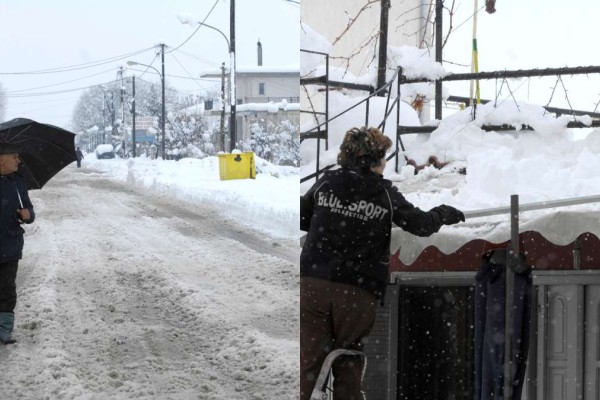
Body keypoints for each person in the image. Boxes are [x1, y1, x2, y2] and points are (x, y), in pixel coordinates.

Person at [300, 126, 465, 400]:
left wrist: (334, 222)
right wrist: (443, 212)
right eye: (384, 158)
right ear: (374, 161)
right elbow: (420, 225)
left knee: (309, 363)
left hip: (312, 284)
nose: (385, 164)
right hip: (355, 290)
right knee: (348, 360)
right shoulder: (383, 194)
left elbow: (304, 217)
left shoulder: (326, 183)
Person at [0, 144, 35, 344]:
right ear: (1, 158)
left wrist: (27, 215)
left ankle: (5, 329)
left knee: (7, 289)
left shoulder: (18, 181)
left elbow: (28, 209)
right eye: (14, 156)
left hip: (10, 243)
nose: (18, 160)